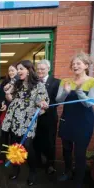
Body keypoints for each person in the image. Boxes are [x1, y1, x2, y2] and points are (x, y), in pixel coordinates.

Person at [2, 60, 49, 186]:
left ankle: (33, 171)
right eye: (17, 69)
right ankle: (16, 169)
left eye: (21, 68)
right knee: (14, 147)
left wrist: (42, 104)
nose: (18, 71)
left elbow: (43, 101)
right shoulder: (17, 83)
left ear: (28, 70)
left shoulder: (39, 85)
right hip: (14, 120)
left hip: (28, 121)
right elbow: (11, 98)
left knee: (27, 147)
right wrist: (8, 95)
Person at [56, 52, 94, 188]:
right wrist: (65, 92)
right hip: (67, 120)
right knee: (66, 149)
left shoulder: (92, 81)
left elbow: (89, 104)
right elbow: (58, 100)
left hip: (84, 122)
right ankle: (67, 171)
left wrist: (78, 91)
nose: (75, 65)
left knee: (79, 153)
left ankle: (79, 179)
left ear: (86, 65)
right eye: (73, 64)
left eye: (78, 63)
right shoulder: (65, 81)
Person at [33, 59, 60, 174]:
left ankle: (50, 164)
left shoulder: (56, 82)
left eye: (42, 69)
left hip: (49, 117)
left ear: (48, 69)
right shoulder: (33, 82)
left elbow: (58, 100)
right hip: (35, 117)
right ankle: (37, 161)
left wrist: (47, 105)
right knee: (36, 140)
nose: (40, 71)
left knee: (49, 141)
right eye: (38, 69)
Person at [0, 63, 19, 164]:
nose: (10, 72)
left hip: (17, 114)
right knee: (4, 136)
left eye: (13, 70)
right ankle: (3, 156)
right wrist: (3, 103)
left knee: (14, 137)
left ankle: (13, 157)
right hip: (6, 114)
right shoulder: (5, 83)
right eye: (9, 71)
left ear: (17, 71)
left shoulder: (21, 83)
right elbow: (1, 96)